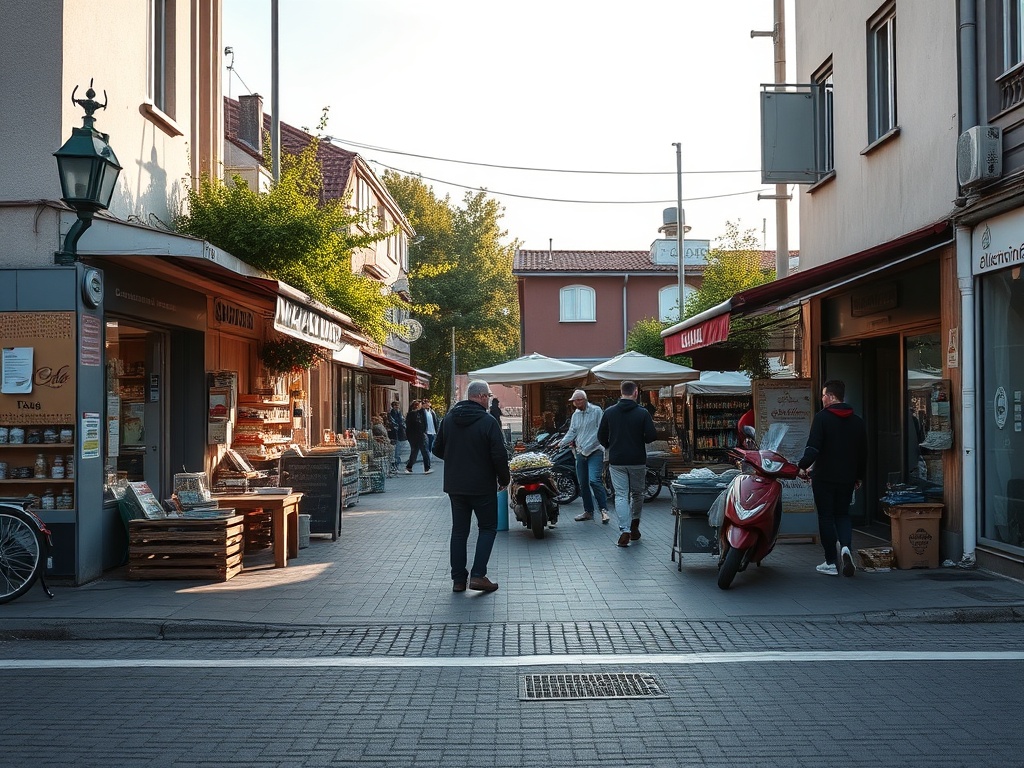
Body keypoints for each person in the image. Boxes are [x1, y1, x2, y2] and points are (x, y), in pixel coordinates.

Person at [432, 379, 511, 593]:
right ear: (482, 396)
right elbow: (499, 455)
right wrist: (504, 479)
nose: (489, 401)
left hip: (455, 486)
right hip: (482, 485)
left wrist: (456, 459)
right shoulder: (488, 422)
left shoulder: (448, 419)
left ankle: (458, 580)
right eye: (489, 397)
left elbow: (436, 448)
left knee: (459, 531)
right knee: (487, 528)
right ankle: (478, 575)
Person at [797, 379, 867, 578]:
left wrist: (801, 466)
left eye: (823, 395)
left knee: (826, 517)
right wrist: (859, 476)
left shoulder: (822, 418)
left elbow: (813, 448)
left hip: (824, 477)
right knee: (843, 515)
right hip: (847, 478)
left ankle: (830, 561)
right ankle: (845, 548)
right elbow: (863, 453)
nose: (822, 399)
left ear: (831, 396)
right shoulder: (858, 421)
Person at [598, 380, 656, 547]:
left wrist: (610, 445)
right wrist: (641, 439)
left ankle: (624, 530)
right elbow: (651, 435)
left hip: (617, 460)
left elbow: (601, 436)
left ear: (620, 392)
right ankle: (635, 525)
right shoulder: (643, 413)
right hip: (637, 459)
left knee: (621, 495)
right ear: (636, 392)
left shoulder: (609, 412)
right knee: (637, 493)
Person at [559, 389, 609, 524]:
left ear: (584, 399)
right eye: (574, 401)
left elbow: (601, 431)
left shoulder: (596, 411)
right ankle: (588, 511)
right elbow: (572, 431)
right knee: (583, 483)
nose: (576, 403)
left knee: (594, 480)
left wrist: (590, 445)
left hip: (595, 451)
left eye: (578, 400)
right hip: (581, 452)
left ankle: (604, 510)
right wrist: (561, 443)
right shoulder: (576, 414)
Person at [405, 400, 432, 474]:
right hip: (419, 435)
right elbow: (419, 424)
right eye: (420, 405)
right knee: (425, 451)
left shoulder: (411, 414)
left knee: (415, 451)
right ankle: (427, 468)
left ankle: (409, 467)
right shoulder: (415, 414)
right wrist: (423, 433)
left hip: (413, 436)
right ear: (417, 406)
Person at [388, 400, 407, 472]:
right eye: (395, 405)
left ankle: (397, 464)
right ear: (393, 406)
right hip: (395, 433)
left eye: (398, 405)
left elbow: (402, 421)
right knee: (396, 450)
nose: (397, 407)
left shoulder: (399, 413)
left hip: (399, 433)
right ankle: (396, 464)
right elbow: (394, 423)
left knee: (398, 449)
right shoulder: (391, 413)